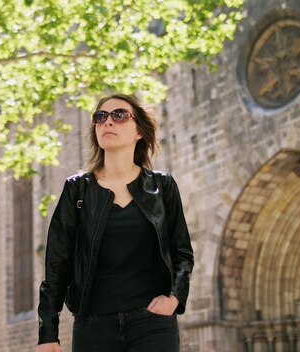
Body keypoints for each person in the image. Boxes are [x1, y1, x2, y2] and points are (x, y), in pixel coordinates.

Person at [35, 94, 194, 352]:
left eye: (119, 115)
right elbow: (56, 264)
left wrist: (174, 298)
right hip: (93, 327)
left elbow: (182, 253)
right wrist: (48, 333)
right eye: (100, 117)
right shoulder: (77, 190)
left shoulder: (162, 187)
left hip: (152, 324)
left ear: (139, 131)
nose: (107, 122)